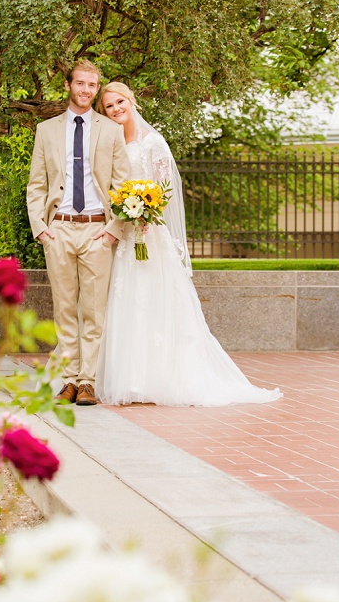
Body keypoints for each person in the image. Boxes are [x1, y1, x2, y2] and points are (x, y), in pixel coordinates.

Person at [93, 82, 281, 407]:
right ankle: (128, 379)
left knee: (155, 302)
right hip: (124, 237)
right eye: (108, 106)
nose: (116, 109)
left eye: (119, 101)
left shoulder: (153, 142)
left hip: (151, 235)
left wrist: (147, 212)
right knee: (124, 302)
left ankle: (163, 378)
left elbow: (166, 189)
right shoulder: (110, 144)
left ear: (132, 100)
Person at [27, 59, 132, 407]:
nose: (87, 90)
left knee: (94, 310)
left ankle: (87, 381)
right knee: (64, 309)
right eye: (81, 83)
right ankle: (68, 381)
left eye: (92, 85)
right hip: (58, 230)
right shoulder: (47, 130)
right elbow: (36, 186)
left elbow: (123, 185)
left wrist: (113, 230)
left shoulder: (111, 130)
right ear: (69, 85)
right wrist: (41, 228)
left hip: (97, 231)